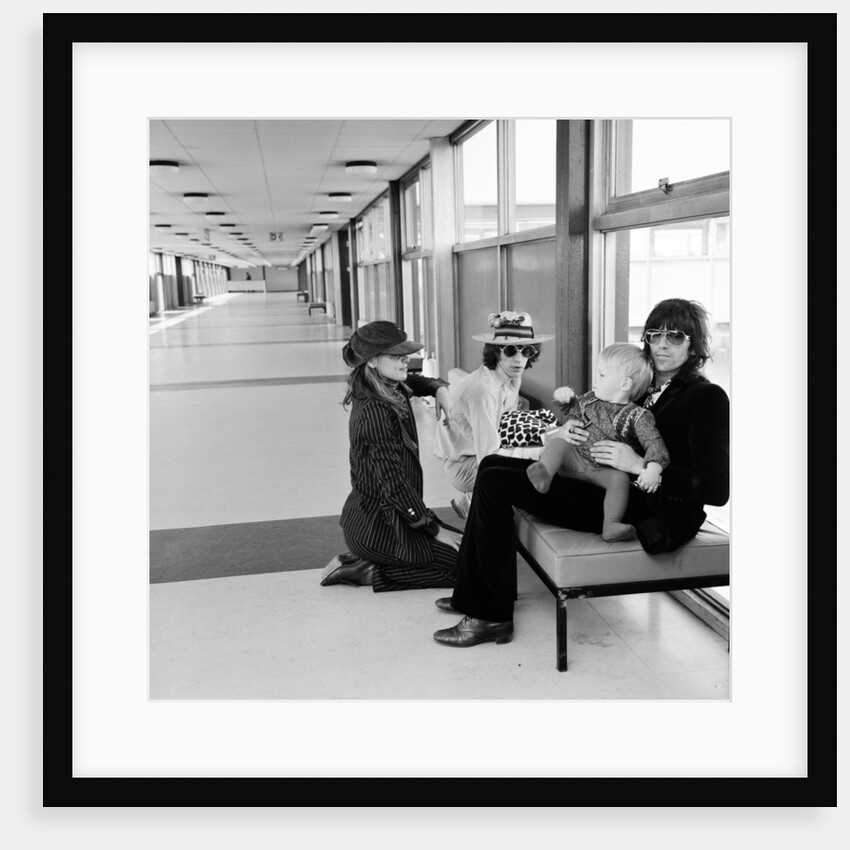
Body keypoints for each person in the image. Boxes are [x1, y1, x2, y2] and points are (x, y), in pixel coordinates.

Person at [432, 298, 729, 648]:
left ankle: (489, 616)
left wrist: (636, 464)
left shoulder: (706, 397)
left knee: (497, 481)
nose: (662, 345)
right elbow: (603, 419)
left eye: (675, 337)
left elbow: (716, 489)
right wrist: (572, 429)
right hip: (601, 481)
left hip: (645, 505)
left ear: (694, 343)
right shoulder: (641, 382)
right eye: (654, 335)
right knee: (490, 465)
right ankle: (474, 591)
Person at [320, 320, 463, 591]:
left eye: (405, 355)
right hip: (379, 528)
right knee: (467, 572)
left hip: (396, 516)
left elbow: (416, 381)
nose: (404, 362)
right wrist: (433, 529)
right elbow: (394, 484)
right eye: (396, 356)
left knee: (476, 556)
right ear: (373, 361)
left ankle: (373, 563)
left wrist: (439, 388)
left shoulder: (386, 384)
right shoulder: (374, 411)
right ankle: (366, 571)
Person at [525, 342, 670, 542]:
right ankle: (545, 475)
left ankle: (611, 524)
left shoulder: (637, 416)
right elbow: (572, 407)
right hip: (575, 459)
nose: (595, 380)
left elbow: (654, 443)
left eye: (602, 375)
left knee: (620, 480)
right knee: (558, 444)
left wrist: (653, 468)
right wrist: (564, 397)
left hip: (603, 472)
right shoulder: (591, 400)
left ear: (625, 384)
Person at [433, 311, 554, 519]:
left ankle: (471, 501)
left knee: (550, 449)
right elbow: (488, 456)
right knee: (544, 459)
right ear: (496, 352)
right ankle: (476, 500)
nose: (519, 359)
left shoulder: (512, 377)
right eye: (510, 351)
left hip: (477, 453)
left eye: (526, 351)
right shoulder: (482, 390)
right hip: (464, 464)